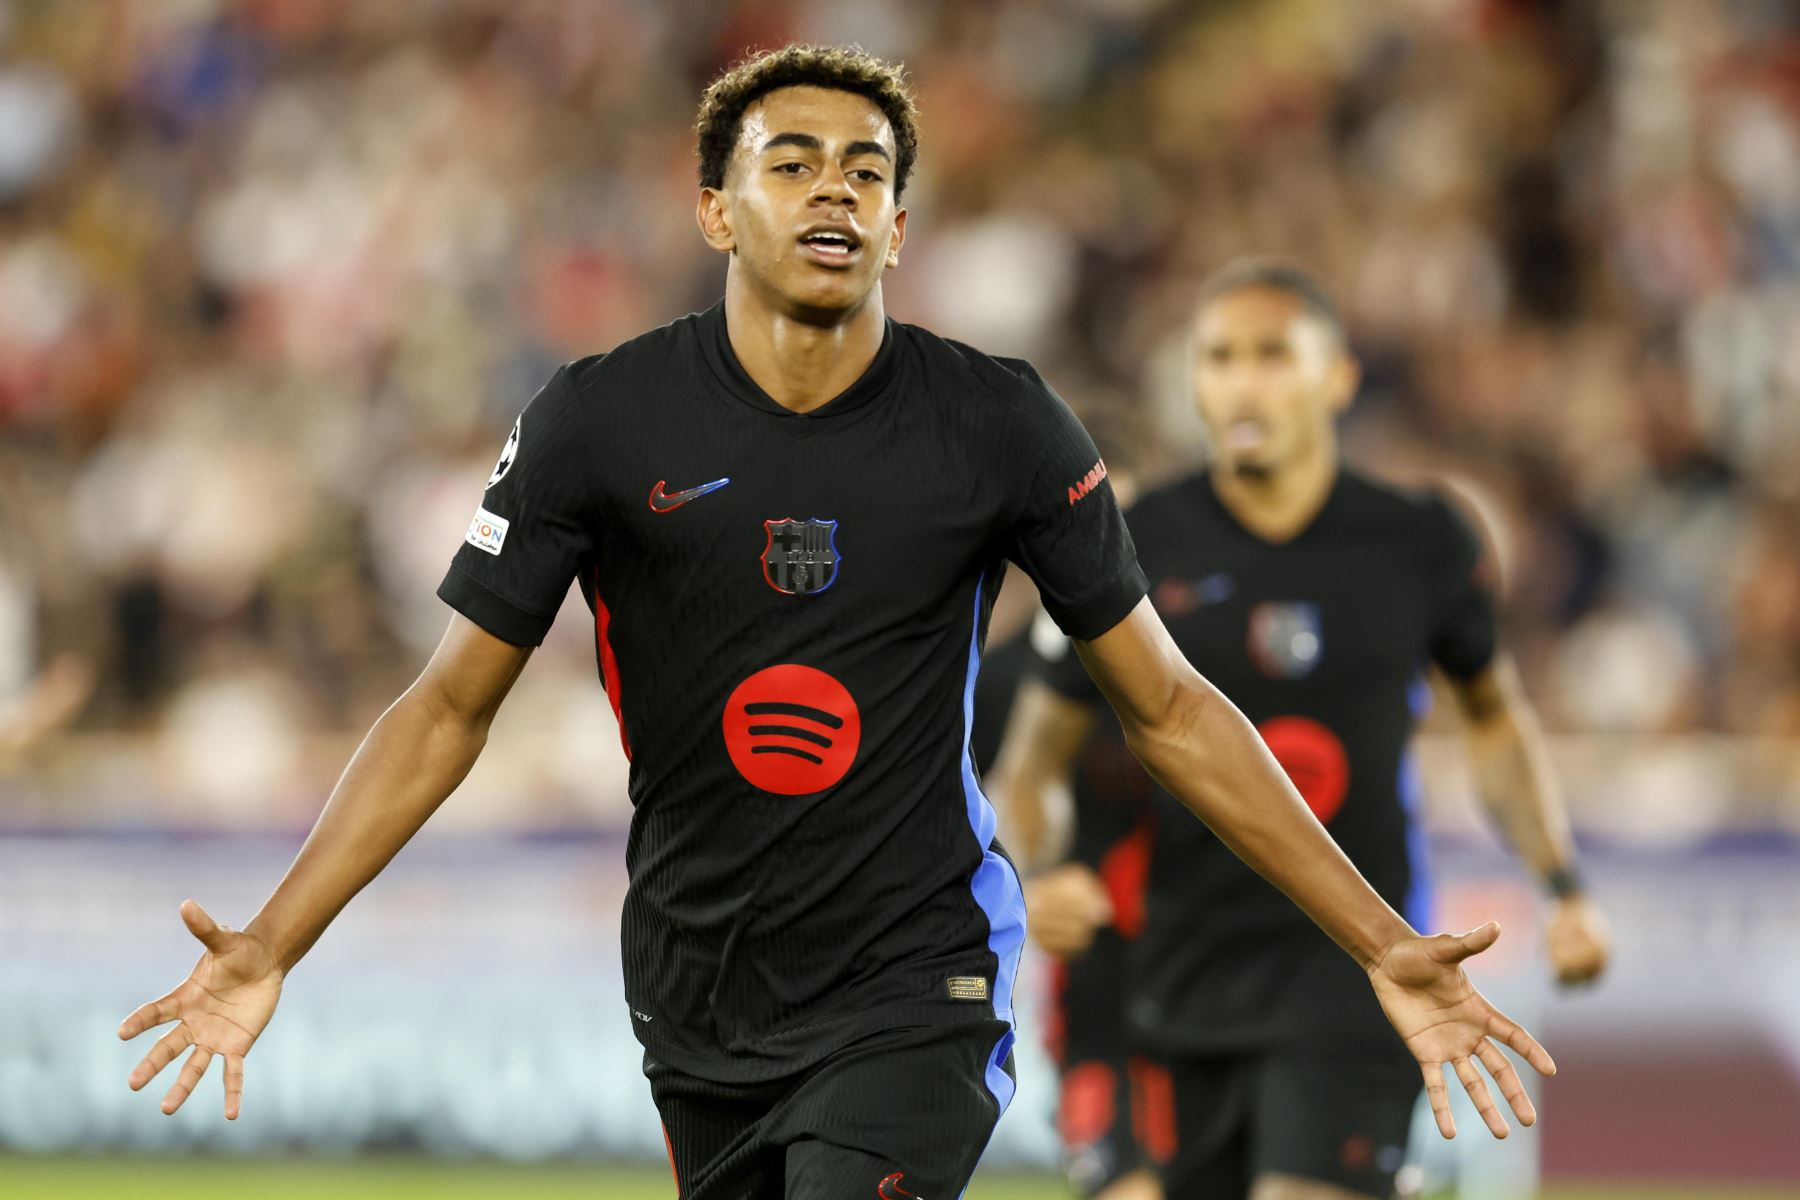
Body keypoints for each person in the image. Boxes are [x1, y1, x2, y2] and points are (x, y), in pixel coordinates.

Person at [117, 48, 1554, 1199]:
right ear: (713, 210)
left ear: (900, 225)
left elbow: (1170, 709)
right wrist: (273, 944)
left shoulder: (998, 425)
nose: (835, 190)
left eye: (868, 171)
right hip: (697, 987)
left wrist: (1379, 943)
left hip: (917, 977)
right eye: (791, 161)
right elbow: (445, 709)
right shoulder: (599, 422)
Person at [990, 260, 1610, 1200]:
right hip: (1168, 974)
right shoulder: (1129, 542)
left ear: (1338, 378)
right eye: (1219, 358)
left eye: (1273, 355)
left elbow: (1493, 721)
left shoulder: (1422, 541)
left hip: (1356, 972)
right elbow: (1031, 763)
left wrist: (1561, 883)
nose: (1242, 381)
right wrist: (1039, 871)